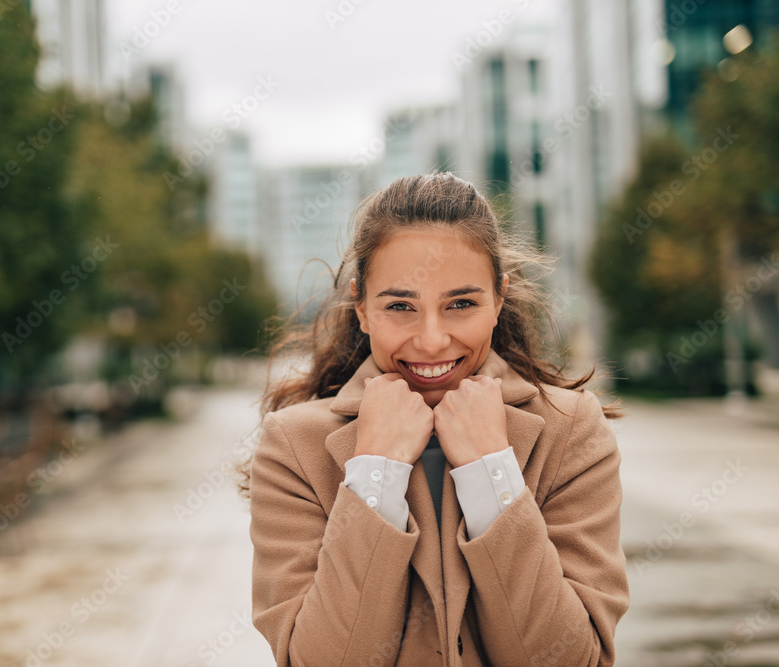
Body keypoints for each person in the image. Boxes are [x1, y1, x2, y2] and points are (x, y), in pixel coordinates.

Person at [236, 173, 630, 666]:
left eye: (460, 304)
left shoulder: (570, 430)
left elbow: (573, 660)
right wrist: (375, 472)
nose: (431, 340)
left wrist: (492, 471)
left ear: (499, 299)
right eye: (400, 306)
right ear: (361, 307)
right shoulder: (294, 446)